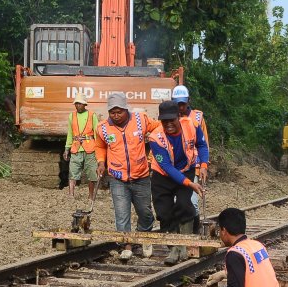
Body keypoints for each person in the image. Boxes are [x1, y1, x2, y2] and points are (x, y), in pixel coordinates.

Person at [94, 91, 161, 259]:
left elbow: (159, 128)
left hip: (141, 176)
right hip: (117, 178)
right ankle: (127, 245)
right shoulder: (102, 128)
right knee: (121, 214)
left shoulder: (141, 120)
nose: (116, 116)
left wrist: (153, 152)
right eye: (112, 112)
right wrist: (101, 163)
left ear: (126, 109)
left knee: (145, 212)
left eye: (119, 112)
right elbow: (100, 146)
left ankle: (144, 237)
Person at [148, 100, 205, 265]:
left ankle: (185, 245)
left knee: (184, 205)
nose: (168, 124)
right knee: (164, 212)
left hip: (185, 169)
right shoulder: (155, 137)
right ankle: (173, 247)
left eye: (171, 120)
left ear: (178, 117)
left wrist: (204, 165)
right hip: (162, 176)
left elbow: (202, 145)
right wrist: (190, 183)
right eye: (164, 121)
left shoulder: (192, 126)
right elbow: (166, 166)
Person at [172, 84, 210, 232]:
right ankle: (180, 233)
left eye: (182, 103)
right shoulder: (169, 117)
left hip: (194, 166)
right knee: (178, 202)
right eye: (177, 104)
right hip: (174, 167)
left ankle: (194, 230)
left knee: (192, 202)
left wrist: (204, 166)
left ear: (188, 101)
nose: (180, 107)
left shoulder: (197, 117)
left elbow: (203, 144)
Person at [63, 95, 98, 203]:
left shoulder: (92, 115)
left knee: (92, 173)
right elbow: (70, 133)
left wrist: (99, 149)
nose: (78, 105)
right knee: (73, 171)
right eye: (76, 103)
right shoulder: (71, 116)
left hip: (90, 148)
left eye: (80, 103)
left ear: (85, 104)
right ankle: (71, 194)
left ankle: (91, 196)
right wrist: (66, 149)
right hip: (76, 147)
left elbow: (97, 133)